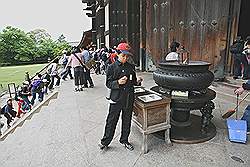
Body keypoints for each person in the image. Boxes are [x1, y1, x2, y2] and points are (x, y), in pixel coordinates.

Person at [99, 42, 143, 151]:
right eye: (123, 55)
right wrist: (118, 82)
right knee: (111, 120)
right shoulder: (111, 67)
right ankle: (105, 142)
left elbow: (133, 81)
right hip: (116, 98)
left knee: (126, 120)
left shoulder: (131, 67)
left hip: (128, 98)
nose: (125, 58)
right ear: (118, 53)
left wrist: (137, 81)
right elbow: (108, 83)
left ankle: (124, 140)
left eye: (127, 56)